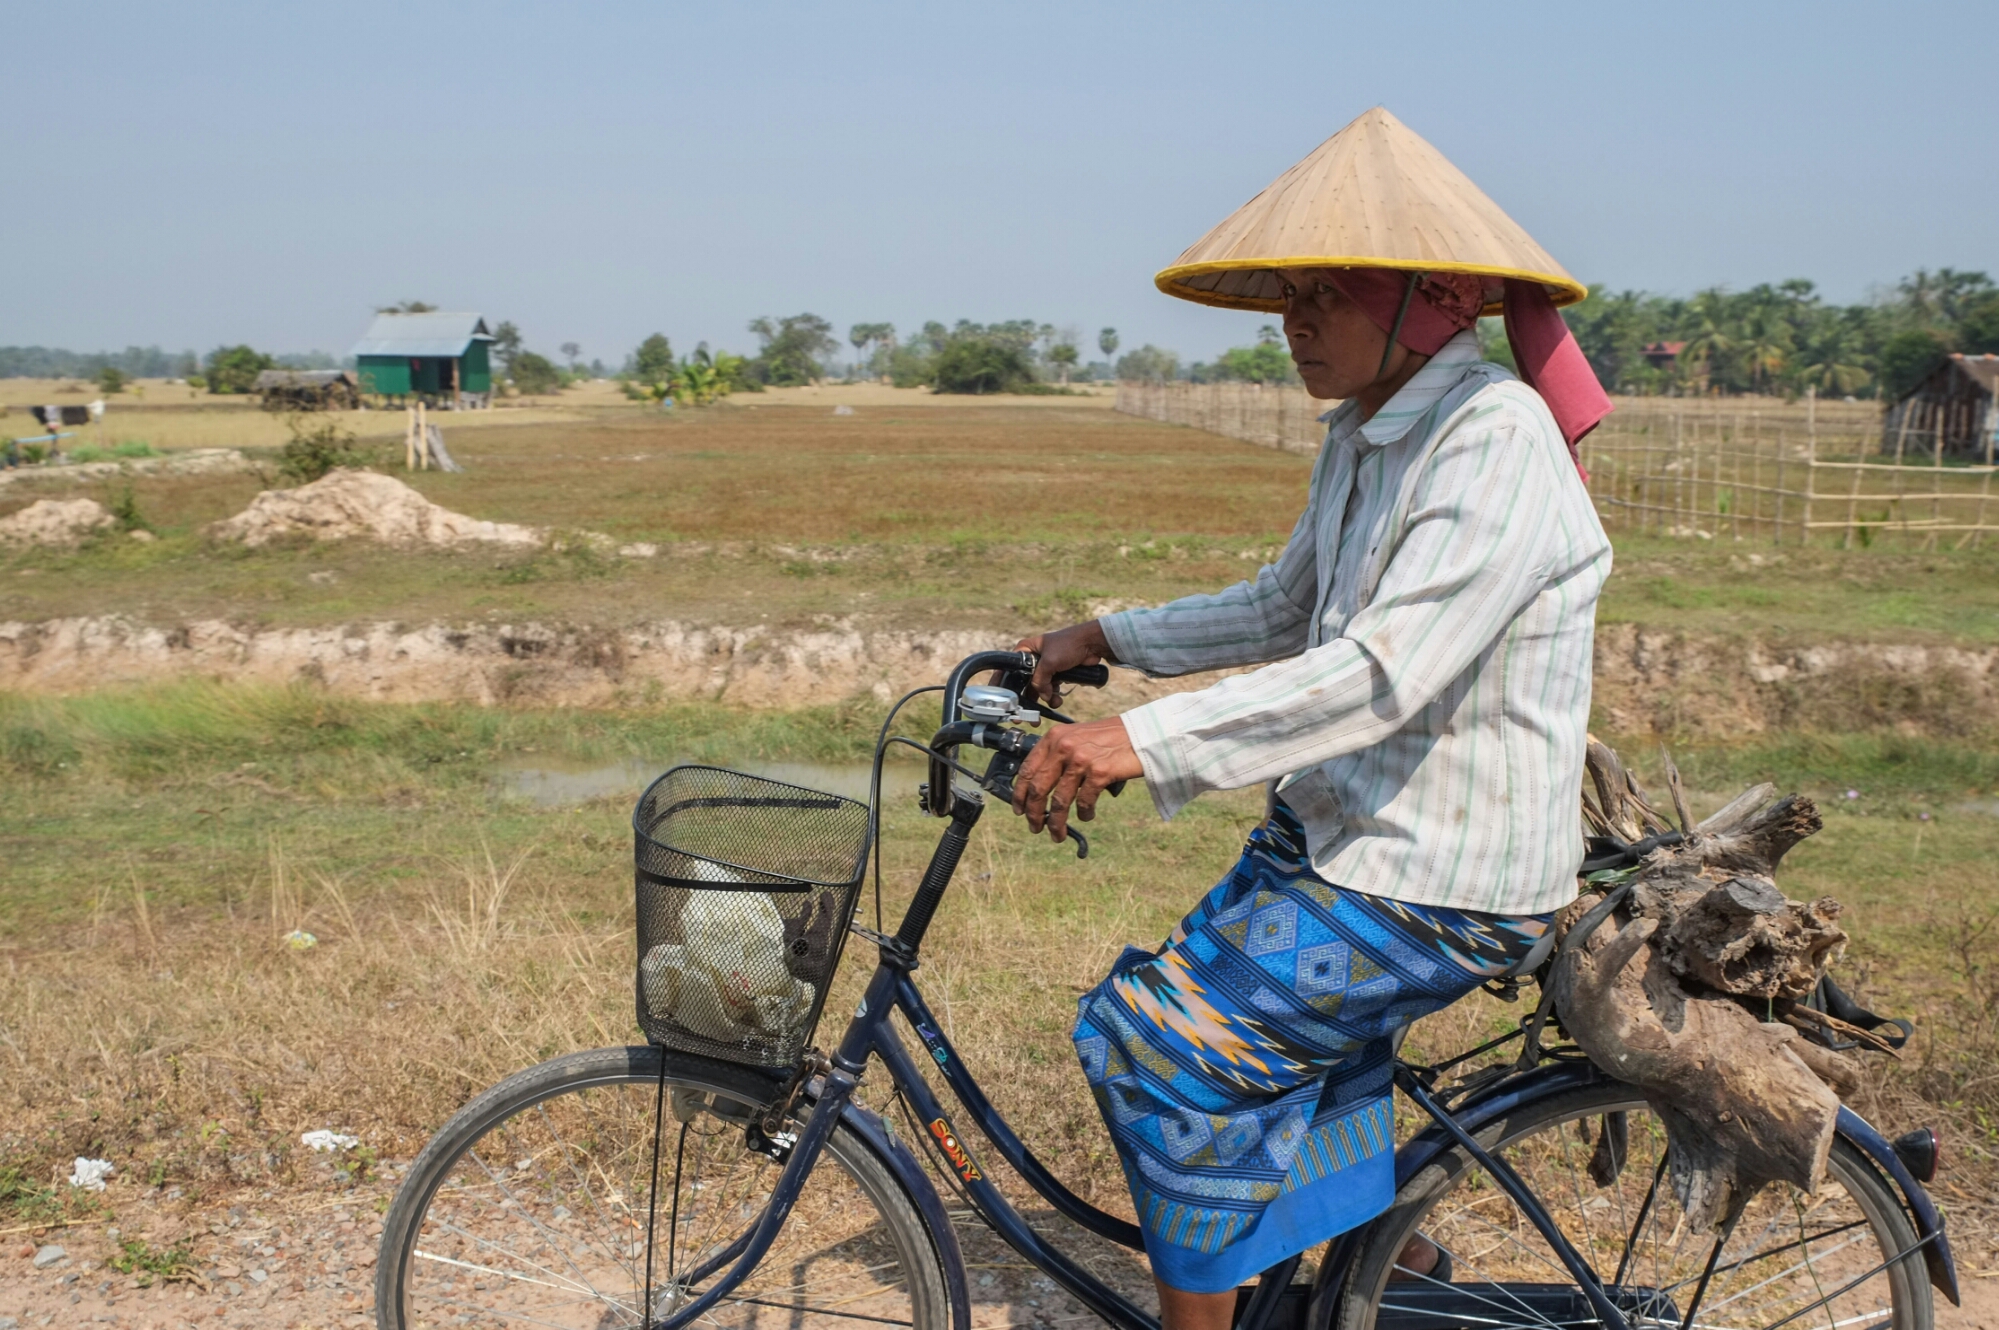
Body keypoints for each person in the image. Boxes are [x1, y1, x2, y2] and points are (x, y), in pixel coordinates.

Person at [1007, 108, 1615, 1330]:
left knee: (1160, 1049)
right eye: (1287, 293)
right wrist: (1109, 637)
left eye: (1326, 291)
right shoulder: (1364, 435)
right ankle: (1379, 1275)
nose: (1293, 319)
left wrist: (1146, 738)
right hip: (1346, 835)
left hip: (1438, 874)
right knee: (1207, 1034)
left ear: (1434, 297)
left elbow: (1381, 671)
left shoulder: (1490, 438)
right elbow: (1290, 603)